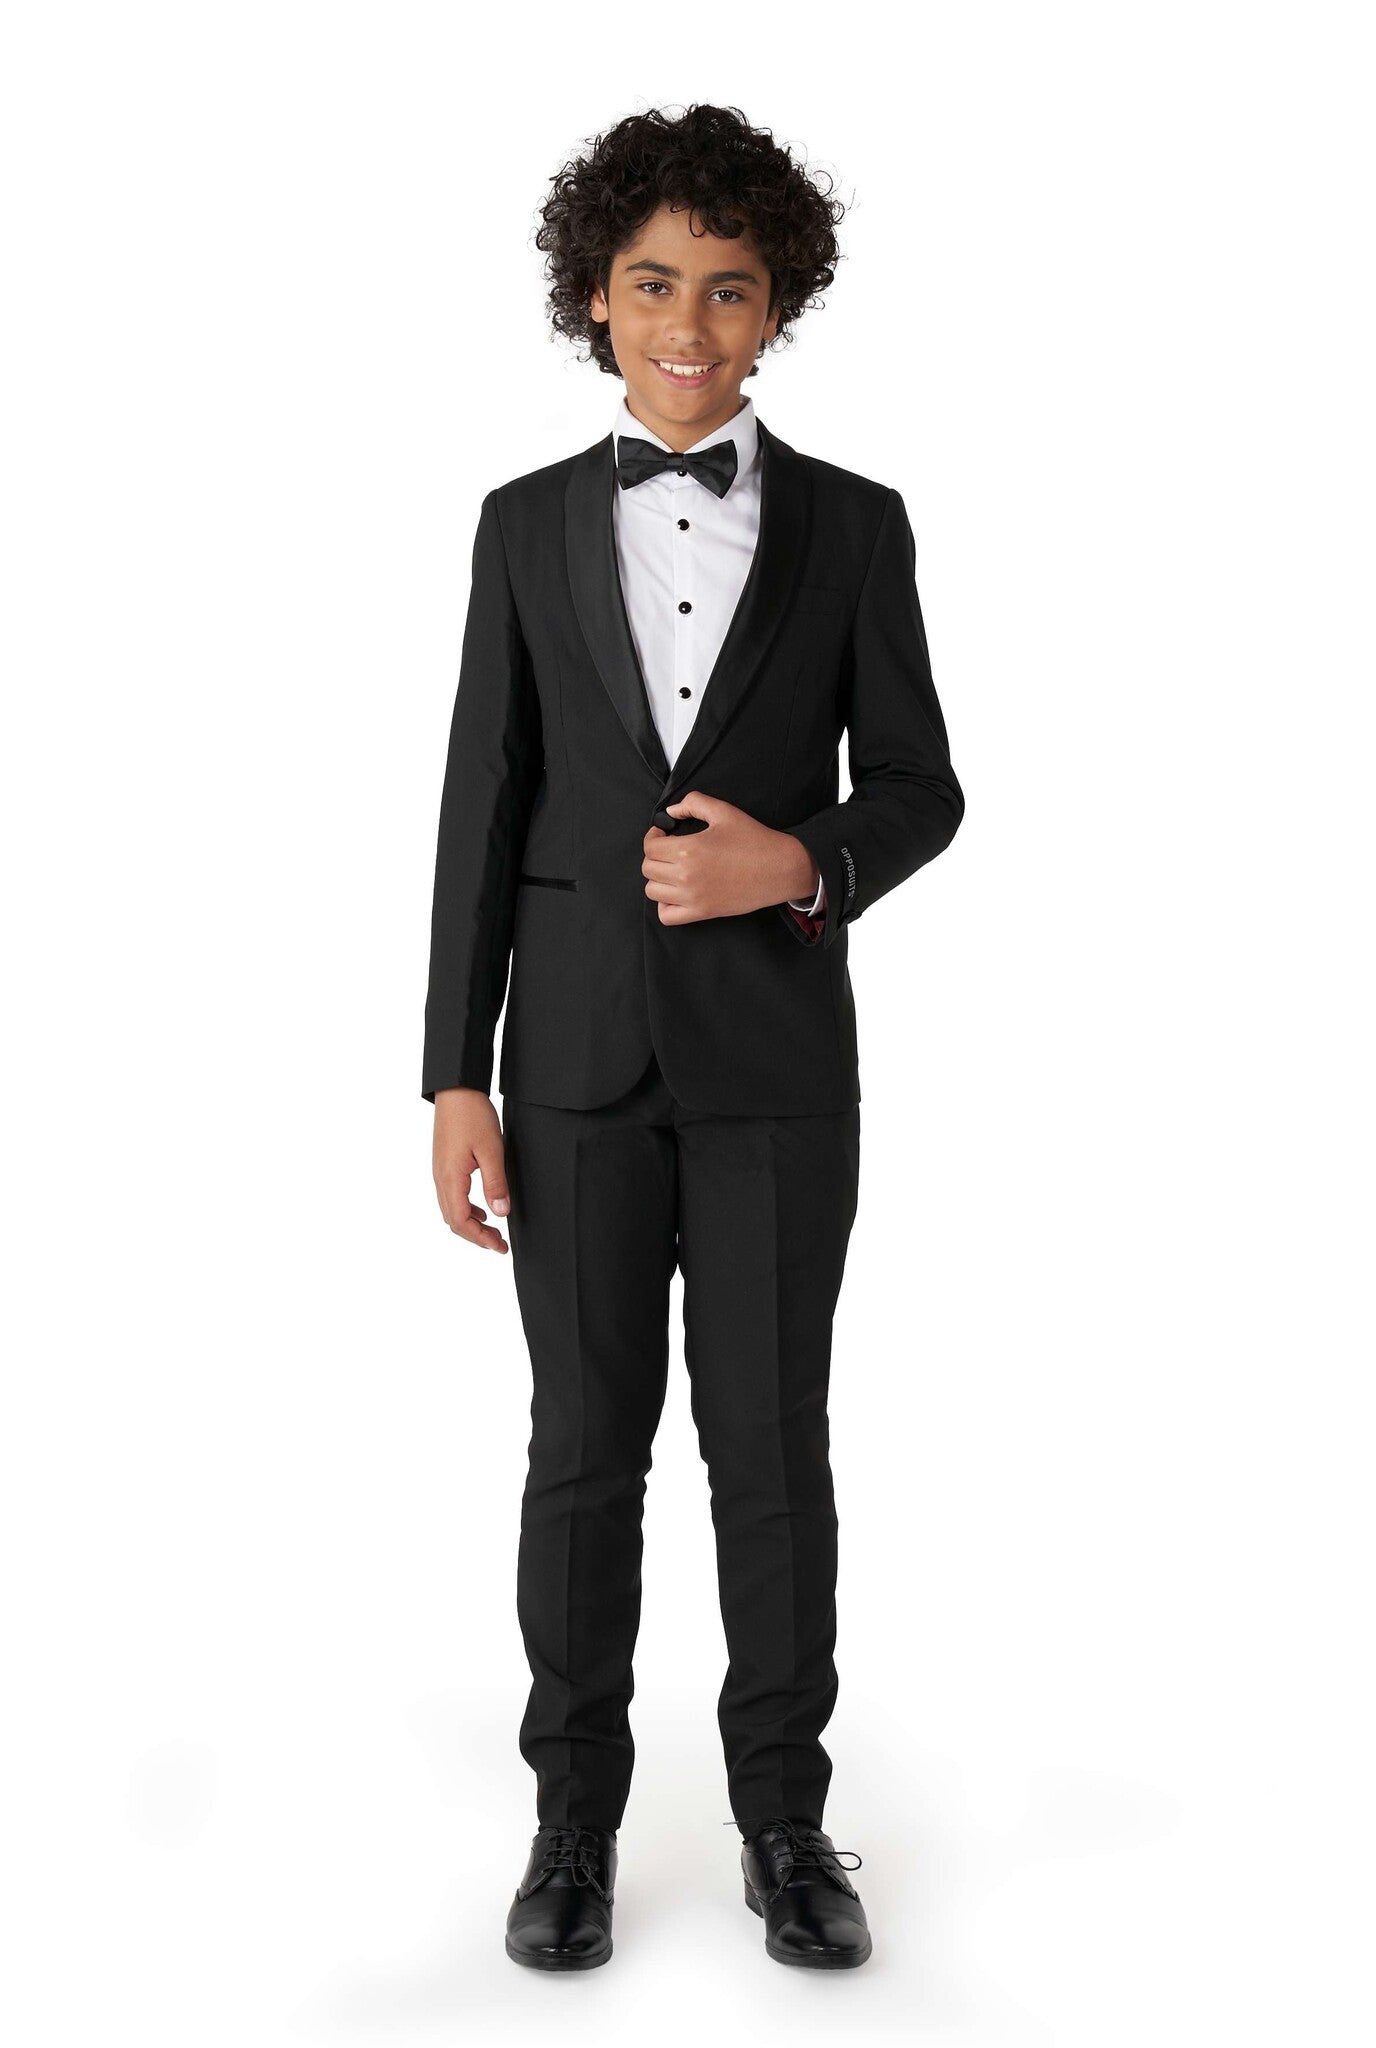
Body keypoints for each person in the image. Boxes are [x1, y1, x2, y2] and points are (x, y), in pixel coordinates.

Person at [421, 101, 964, 1972]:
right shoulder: (519, 527)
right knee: (584, 1455)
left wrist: (794, 864)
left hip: (775, 1076)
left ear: (776, 308)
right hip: (568, 1067)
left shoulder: (855, 528)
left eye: (730, 290)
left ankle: (786, 1825)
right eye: (654, 283)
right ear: (595, 295)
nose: (690, 323)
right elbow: (482, 808)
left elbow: (922, 787)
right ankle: (571, 1822)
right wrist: (456, 1070)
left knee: (770, 1454)